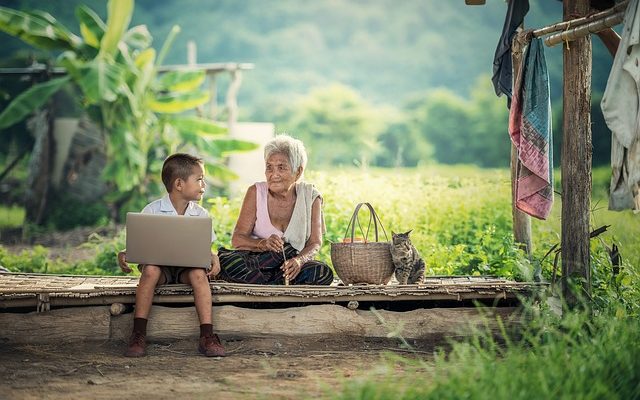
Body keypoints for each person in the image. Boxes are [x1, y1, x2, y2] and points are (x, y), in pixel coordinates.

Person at [117, 153, 225, 357]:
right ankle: (138, 334)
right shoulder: (152, 210)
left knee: (198, 274)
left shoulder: (201, 214)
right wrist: (125, 253)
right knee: (150, 269)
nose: (204, 184)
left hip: (187, 270)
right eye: (200, 179)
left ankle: (207, 336)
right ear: (179, 184)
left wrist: (213, 255)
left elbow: (205, 248)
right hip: (161, 271)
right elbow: (141, 244)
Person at [218, 135, 333, 285]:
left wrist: (299, 260)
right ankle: (277, 291)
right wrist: (264, 244)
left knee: (322, 272)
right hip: (258, 262)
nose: (274, 174)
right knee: (231, 262)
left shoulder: (310, 197)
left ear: (298, 172)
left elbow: (315, 243)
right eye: (269, 167)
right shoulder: (255, 192)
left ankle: (264, 290)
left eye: (281, 167)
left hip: (288, 267)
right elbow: (237, 240)